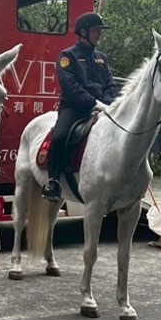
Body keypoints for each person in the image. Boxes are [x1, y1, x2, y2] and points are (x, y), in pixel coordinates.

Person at [42, 12, 117, 202]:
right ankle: (53, 181)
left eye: (100, 31)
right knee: (59, 136)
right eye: (96, 30)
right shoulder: (68, 56)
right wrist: (93, 103)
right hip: (74, 108)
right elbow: (71, 86)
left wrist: (107, 103)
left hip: (102, 108)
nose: (99, 34)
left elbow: (110, 84)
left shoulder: (102, 58)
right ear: (83, 32)